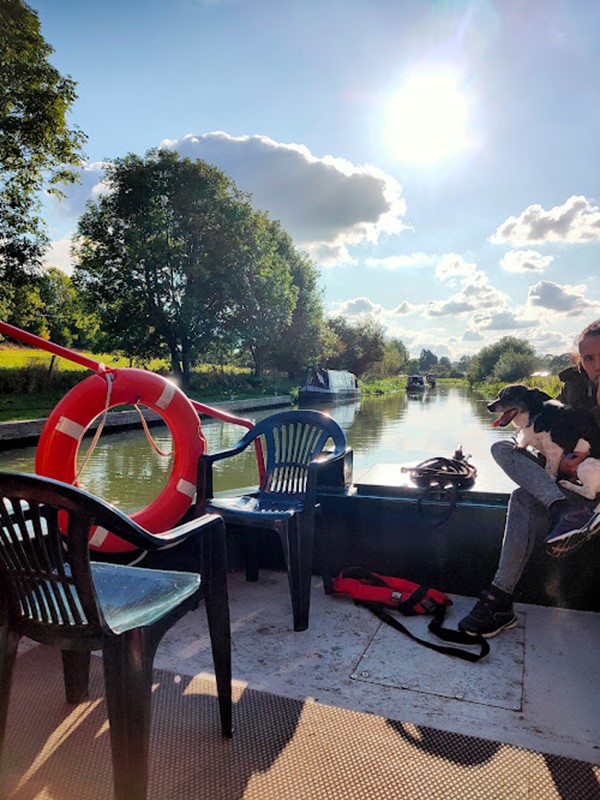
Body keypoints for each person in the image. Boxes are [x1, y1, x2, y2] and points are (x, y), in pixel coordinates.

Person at [459, 318, 600, 639]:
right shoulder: (574, 385)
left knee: (522, 498)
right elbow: (553, 423)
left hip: (594, 485)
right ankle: (500, 601)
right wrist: (530, 436)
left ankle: (569, 510)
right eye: (588, 358)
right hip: (568, 481)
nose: (595, 365)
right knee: (503, 451)